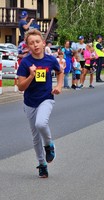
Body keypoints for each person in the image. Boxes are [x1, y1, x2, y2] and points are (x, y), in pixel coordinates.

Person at [16, 29, 63, 178]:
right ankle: (42, 164)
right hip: (30, 103)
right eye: (31, 43)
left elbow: (60, 71)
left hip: (46, 98)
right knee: (35, 136)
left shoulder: (50, 59)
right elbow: (21, 87)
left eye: (37, 42)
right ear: (28, 46)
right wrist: (31, 76)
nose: (35, 45)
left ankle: (49, 146)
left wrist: (59, 86)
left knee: (41, 124)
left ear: (43, 43)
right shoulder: (26, 62)